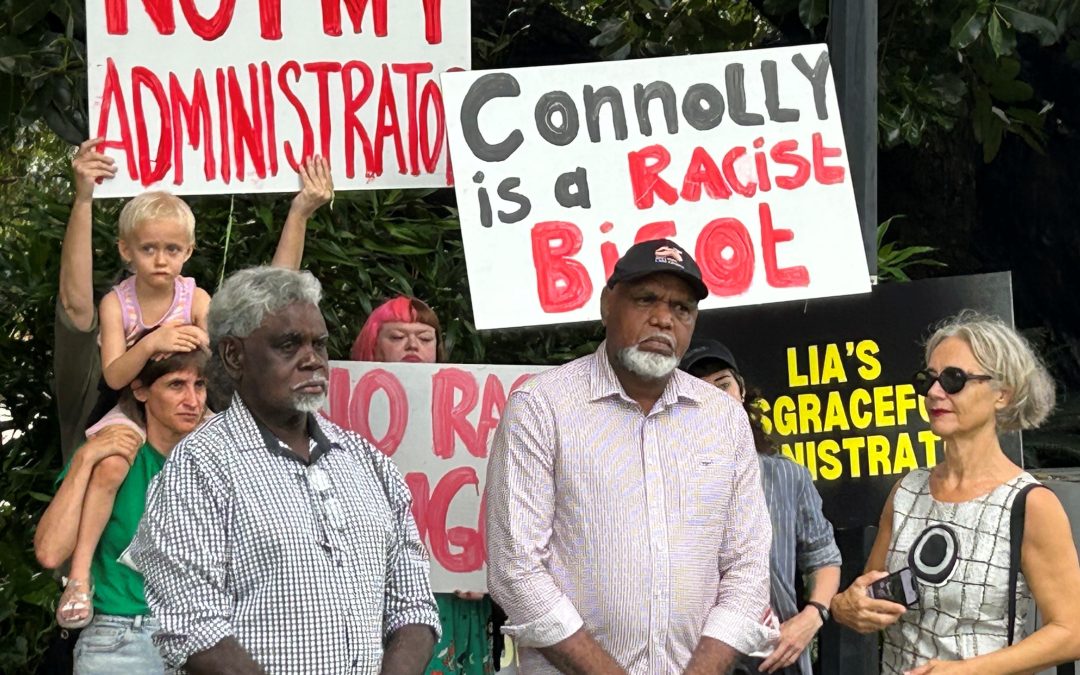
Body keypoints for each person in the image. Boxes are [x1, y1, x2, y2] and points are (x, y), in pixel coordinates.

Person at [52, 140, 335, 631]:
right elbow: (112, 367)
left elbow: (257, 315)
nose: (161, 259)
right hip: (120, 615)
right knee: (111, 460)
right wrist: (154, 342)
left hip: (214, 623)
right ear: (126, 251)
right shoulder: (117, 308)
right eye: (149, 248)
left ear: (187, 252)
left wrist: (300, 214)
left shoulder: (197, 301)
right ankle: (79, 579)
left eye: (171, 249)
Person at [129, 266, 440, 674]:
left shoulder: (368, 462)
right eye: (289, 345)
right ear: (234, 356)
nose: (312, 360)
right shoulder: (199, 467)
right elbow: (192, 627)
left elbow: (414, 603)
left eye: (319, 345)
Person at [485, 239, 774, 674]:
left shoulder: (724, 420)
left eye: (682, 309)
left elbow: (748, 568)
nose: (663, 319)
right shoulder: (542, 407)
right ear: (607, 303)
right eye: (646, 299)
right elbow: (515, 568)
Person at [830, 311, 1080, 674]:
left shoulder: (1028, 504)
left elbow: (1071, 631)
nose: (934, 392)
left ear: (1002, 394)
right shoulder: (908, 492)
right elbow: (869, 599)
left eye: (953, 379)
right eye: (928, 380)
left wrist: (967, 670)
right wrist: (846, 606)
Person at [34, 350, 209, 674]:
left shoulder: (213, 464)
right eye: (176, 385)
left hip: (202, 636)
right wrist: (85, 460)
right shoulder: (114, 461)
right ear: (140, 390)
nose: (192, 400)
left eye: (199, 385)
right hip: (121, 636)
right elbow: (49, 552)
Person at [353, 296, 497, 675]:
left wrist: (483, 570)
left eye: (425, 337)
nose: (413, 346)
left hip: (455, 595)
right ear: (373, 343)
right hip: (372, 600)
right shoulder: (342, 413)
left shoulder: (471, 407)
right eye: (398, 336)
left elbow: (492, 499)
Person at [680, 338, 841, 675]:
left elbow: (824, 558)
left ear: (740, 391)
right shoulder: (666, 482)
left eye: (722, 384)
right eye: (698, 390)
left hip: (776, 658)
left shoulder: (786, 476)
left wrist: (811, 618)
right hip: (697, 660)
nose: (715, 398)